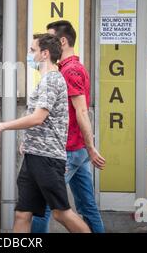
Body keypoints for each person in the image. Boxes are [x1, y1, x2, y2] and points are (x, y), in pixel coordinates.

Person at [0, 33, 90, 233]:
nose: (29, 54)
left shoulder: (51, 80)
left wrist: (2, 126)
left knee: (61, 213)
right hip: (34, 156)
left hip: (47, 159)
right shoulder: (44, 80)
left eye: (32, 50)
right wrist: (29, 142)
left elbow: (38, 117)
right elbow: (42, 122)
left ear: (45, 54)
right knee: (22, 214)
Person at [31, 20, 106, 233]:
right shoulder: (64, 69)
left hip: (69, 150)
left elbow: (82, 111)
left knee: (43, 205)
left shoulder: (71, 70)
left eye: (51, 39)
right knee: (86, 205)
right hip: (75, 149)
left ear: (62, 41)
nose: (46, 44)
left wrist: (90, 148)